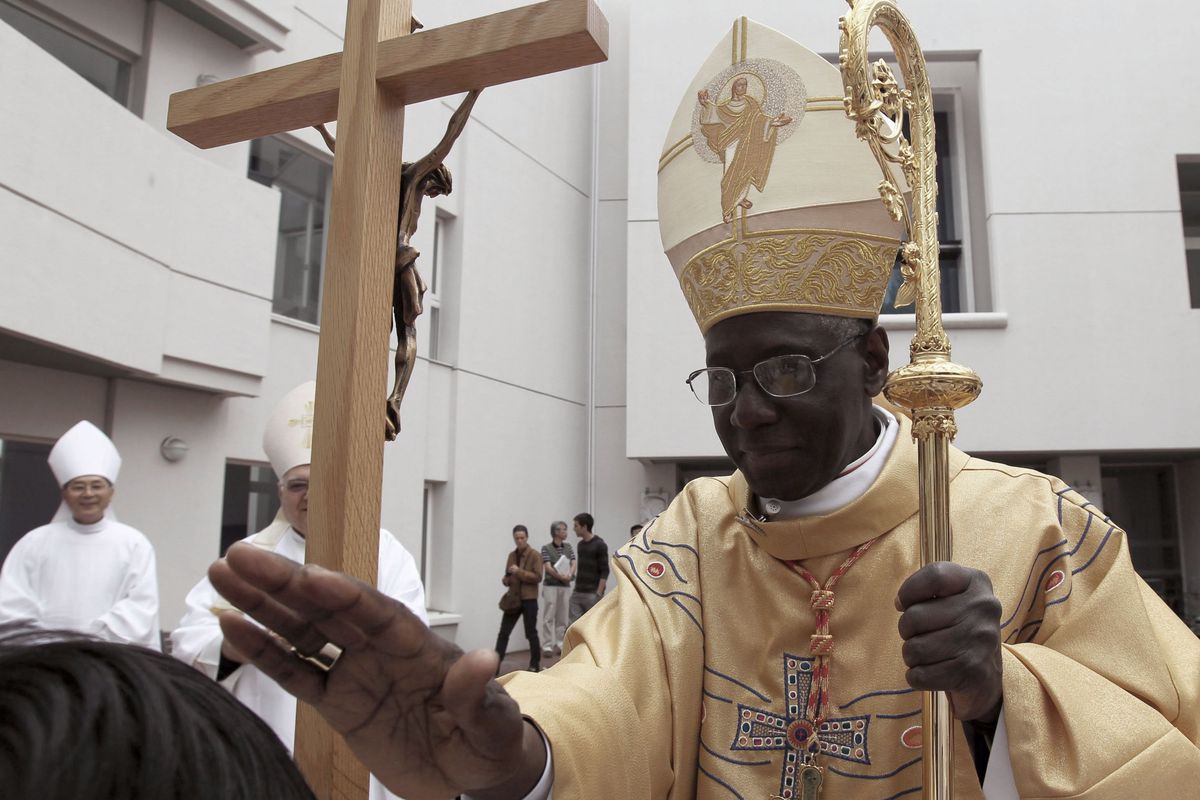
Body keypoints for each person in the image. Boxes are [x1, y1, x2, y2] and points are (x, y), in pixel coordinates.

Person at [199, 18, 1200, 800]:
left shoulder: (1036, 531)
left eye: (785, 374)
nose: (747, 414)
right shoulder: (691, 539)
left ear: (870, 356)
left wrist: (997, 696)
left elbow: (1172, 741)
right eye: (722, 381)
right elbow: (608, 698)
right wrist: (512, 754)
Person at [170, 381, 426, 800]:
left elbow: (412, 635)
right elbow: (189, 641)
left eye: (320, 480)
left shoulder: (384, 551)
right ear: (280, 492)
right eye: (297, 484)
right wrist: (238, 646)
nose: (309, 495)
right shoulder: (248, 558)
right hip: (269, 729)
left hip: (363, 729)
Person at [0, 624, 315, 800]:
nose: (304, 500)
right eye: (295, 497)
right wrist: (229, 648)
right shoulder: (246, 559)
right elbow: (192, 637)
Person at [0, 421, 160, 650]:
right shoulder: (34, 542)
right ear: (64, 493)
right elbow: (12, 602)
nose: (88, 494)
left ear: (111, 492)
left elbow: (140, 607)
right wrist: (48, 644)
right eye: (78, 486)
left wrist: (92, 638)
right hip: (45, 656)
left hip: (109, 655)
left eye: (97, 486)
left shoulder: (134, 543)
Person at [495, 524, 543, 672]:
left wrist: (519, 571)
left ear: (527, 537)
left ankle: (535, 664)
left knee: (531, 633)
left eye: (522, 538)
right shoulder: (511, 555)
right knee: (504, 633)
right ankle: (494, 666)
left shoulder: (535, 555)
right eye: (517, 538)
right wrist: (506, 579)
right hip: (513, 599)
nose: (520, 541)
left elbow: (538, 577)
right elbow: (507, 576)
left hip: (529, 599)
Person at [539, 520, 574, 658]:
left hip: (564, 586)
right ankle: (547, 645)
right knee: (548, 615)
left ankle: (560, 644)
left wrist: (569, 575)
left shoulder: (569, 547)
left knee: (562, 615)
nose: (565, 532)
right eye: (563, 530)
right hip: (551, 585)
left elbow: (573, 562)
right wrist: (561, 576)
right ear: (555, 532)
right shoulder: (546, 548)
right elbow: (547, 567)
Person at [568, 512, 609, 623]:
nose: (574, 529)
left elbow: (605, 570)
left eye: (576, 526)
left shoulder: (600, 545)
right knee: (573, 626)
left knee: (592, 626)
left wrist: (599, 593)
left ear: (584, 526)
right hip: (577, 592)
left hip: (592, 594)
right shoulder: (580, 545)